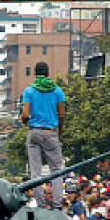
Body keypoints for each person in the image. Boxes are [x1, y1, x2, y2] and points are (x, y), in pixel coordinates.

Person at [20, 62, 66, 209]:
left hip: (34, 132)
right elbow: (62, 114)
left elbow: (26, 113)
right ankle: (57, 204)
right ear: (47, 73)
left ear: (35, 73)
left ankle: (40, 204)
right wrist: (60, 131)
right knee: (57, 170)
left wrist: (24, 120)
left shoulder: (29, 91)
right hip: (50, 132)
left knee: (36, 171)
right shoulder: (58, 91)